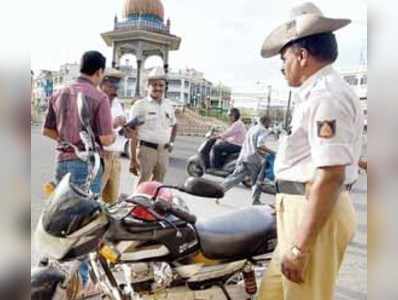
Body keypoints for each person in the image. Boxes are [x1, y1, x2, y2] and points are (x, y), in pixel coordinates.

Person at [257, 3, 364, 300]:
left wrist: (300, 247)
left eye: (284, 58)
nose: (283, 67)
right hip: (301, 210)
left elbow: (330, 175)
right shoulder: (317, 93)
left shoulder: (326, 96)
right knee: (272, 294)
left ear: (302, 56)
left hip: (314, 214)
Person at [42, 50, 115, 295]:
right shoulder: (99, 97)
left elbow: (48, 131)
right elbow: (105, 138)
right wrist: (113, 133)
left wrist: (67, 138)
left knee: (59, 219)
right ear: (99, 72)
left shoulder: (59, 91)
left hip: (61, 161)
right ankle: (79, 285)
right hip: (86, 167)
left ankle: (50, 272)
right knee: (85, 227)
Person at [128, 67, 177, 185]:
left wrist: (171, 143)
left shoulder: (168, 105)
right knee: (142, 185)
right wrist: (133, 159)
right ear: (147, 86)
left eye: (161, 85)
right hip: (146, 151)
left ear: (165, 87)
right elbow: (132, 133)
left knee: (158, 186)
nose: (158, 88)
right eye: (154, 85)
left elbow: (175, 125)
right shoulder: (140, 106)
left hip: (163, 152)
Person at [221, 114, 274, 205]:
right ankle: (255, 200)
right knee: (257, 181)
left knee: (235, 177)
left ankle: (219, 190)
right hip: (254, 159)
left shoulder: (252, 129)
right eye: (270, 122)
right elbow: (260, 145)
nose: (271, 124)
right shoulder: (263, 130)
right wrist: (272, 152)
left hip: (244, 156)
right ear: (266, 122)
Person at [100, 68, 135, 203]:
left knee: (112, 201)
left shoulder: (117, 104)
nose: (116, 89)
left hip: (115, 157)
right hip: (101, 157)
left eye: (117, 85)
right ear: (102, 84)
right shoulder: (95, 102)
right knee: (93, 200)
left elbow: (119, 130)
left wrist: (127, 131)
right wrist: (112, 124)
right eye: (112, 85)